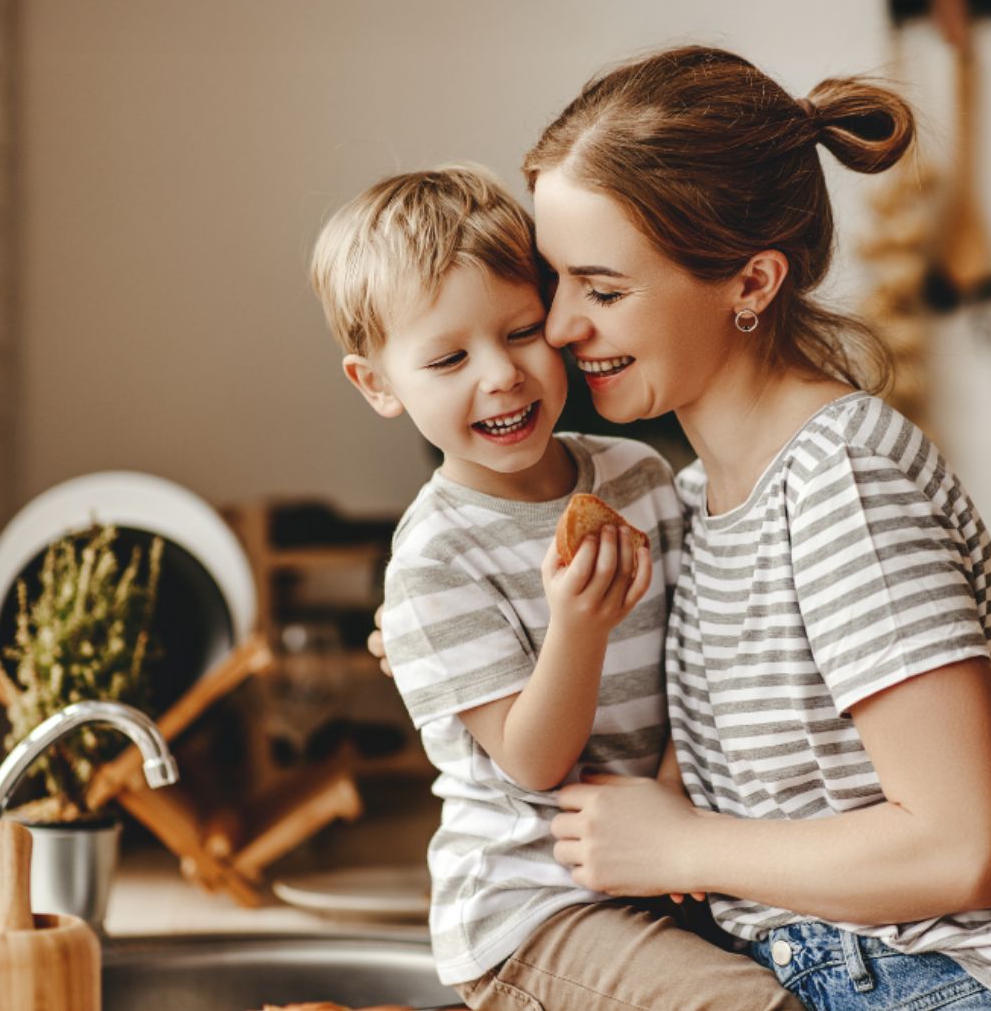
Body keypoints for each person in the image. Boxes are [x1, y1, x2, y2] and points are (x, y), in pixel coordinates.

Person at [513, 46, 991, 1009]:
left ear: (750, 284)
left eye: (603, 289)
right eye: (554, 280)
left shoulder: (839, 479)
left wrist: (677, 843)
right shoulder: (698, 497)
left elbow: (966, 850)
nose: (556, 327)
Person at [311, 164, 802, 1010]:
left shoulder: (639, 475)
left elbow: (707, 653)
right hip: (533, 914)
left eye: (522, 331)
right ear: (377, 383)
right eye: (448, 356)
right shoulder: (434, 558)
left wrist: (680, 801)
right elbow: (533, 763)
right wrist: (577, 628)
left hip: (665, 871)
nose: (499, 374)